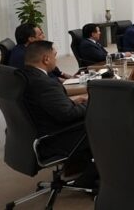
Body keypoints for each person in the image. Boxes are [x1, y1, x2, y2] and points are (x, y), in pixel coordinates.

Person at [22, 41, 97, 188]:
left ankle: (78, 168)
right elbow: (68, 115)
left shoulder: (24, 76)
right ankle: (90, 177)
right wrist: (91, 104)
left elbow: (46, 106)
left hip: (36, 134)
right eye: (55, 56)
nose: (56, 60)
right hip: (54, 139)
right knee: (104, 123)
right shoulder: (44, 83)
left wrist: (72, 102)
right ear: (46, 59)